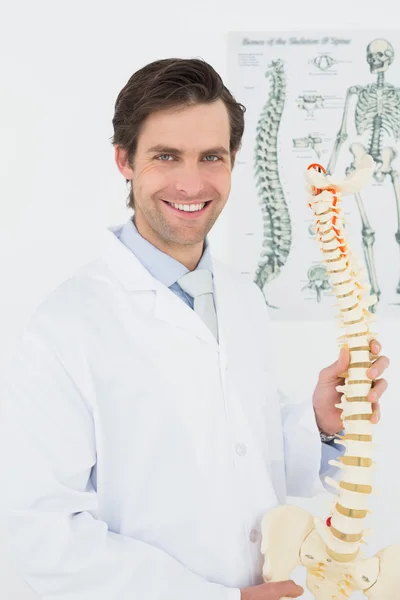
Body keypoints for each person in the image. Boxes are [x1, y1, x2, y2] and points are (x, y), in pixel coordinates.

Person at [0, 58, 389, 600]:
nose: (192, 182)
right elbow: (42, 533)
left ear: (232, 160)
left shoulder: (242, 297)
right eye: (166, 156)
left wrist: (320, 423)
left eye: (212, 156)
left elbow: (242, 449)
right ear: (124, 161)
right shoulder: (64, 328)